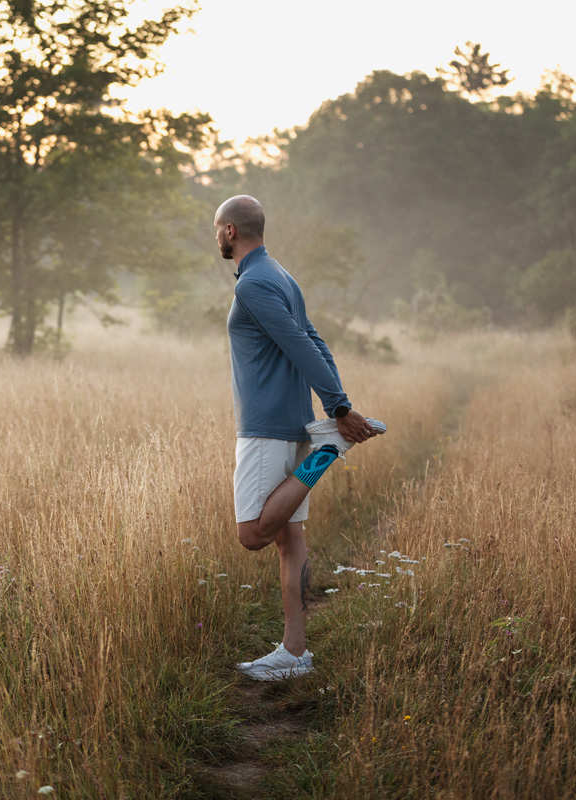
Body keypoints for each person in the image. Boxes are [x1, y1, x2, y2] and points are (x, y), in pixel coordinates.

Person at [214, 194, 385, 681]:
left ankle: (329, 452)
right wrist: (337, 403)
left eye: (216, 230)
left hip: (267, 427)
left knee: (253, 534)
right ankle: (294, 653)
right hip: (290, 422)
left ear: (229, 231)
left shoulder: (254, 285)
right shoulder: (281, 276)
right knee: (290, 538)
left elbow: (300, 346)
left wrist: (339, 410)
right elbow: (314, 341)